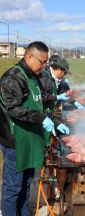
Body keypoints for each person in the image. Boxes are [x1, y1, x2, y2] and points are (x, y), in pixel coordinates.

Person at [0, 41, 69, 216]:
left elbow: (42, 103)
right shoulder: (13, 78)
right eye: (42, 62)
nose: (44, 66)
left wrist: (54, 121)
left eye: (46, 63)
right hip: (16, 141)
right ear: (29, 57)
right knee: (13, 187)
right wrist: (41, 118)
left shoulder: (35, 77)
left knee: (28, 183)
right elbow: (13, 109)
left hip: (32, 139)